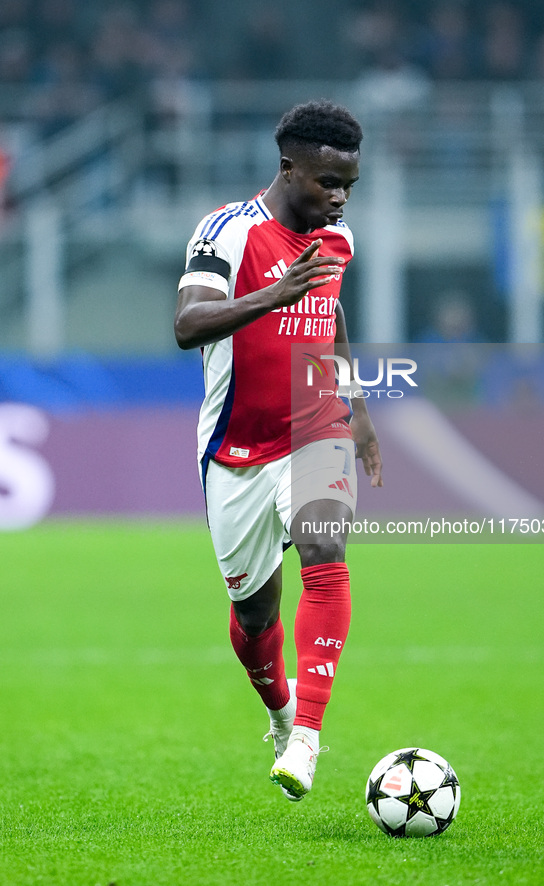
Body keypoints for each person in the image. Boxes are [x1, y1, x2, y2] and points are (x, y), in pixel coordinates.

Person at [174, 100, 383, 801]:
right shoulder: (226, 233)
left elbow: (332, 310)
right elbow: (187, 324)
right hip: (235, 448)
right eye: (327, 180)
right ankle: (280, 712)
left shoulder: (337, 237)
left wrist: (353, 407)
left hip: (312, 426)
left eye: (348, 184)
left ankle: (308, 739)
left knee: (326, 554)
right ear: (289, 166)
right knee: (254, 616)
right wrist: (269, 295)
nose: (338, 196)